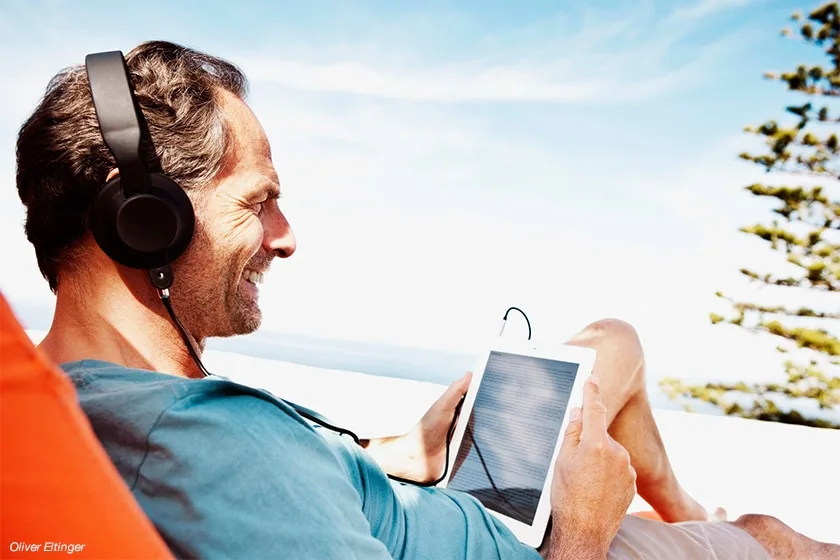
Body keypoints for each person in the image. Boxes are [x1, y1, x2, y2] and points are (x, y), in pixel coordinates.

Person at [14, 40, 838, 560]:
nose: (287, 234)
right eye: (258, 202)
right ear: (142, 222)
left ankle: (683, 503)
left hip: (443, 503)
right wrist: (585, 523)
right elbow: (244, 483)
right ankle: (695, 520)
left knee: (610, 344)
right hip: (546, 543)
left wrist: (393, 453)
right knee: (770, 537)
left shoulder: (76, 398)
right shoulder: (209, 447)